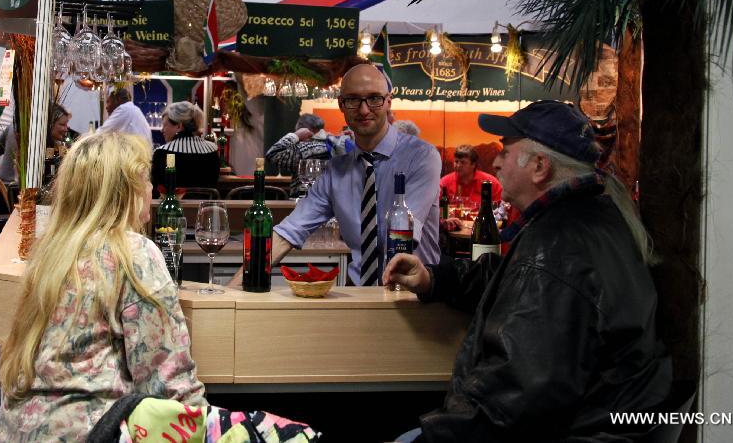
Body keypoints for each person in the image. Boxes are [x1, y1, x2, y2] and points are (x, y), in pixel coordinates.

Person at [384, 101, 672, 441]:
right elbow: (512, 277)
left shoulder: (556, 247)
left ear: (539, 166)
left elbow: (514, 401)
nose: (495, 161)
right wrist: (434, 278)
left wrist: (433, 437)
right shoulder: (594, 216)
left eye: (506, 151)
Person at [0, 131, 205, 441]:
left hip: (19, 430)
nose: (152, 190)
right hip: (93, 433)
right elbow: (169, 383)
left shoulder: (50, 251)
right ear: (127, 191)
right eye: (147, 181)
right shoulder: (134, 253)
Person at [240, 64, 441, 286]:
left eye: (374, 98)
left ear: (388, 102)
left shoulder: (421, 157)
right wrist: (232, 291)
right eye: (354, 100)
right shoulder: (336, 171)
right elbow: (288, 232)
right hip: (359, 295)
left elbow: (401, 237)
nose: (364, 110)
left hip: (414, 298)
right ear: (341, 105)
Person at [264, 113, 354, 197]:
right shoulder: (338, 144)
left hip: (305, 203)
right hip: (337, 203)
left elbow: (272, 154)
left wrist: (295, 135)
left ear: (303, 129)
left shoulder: (304, 148)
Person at [151, 101, 219, 191]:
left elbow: (156, 189)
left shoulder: (161, 153)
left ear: (179, 126)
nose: (162, 130)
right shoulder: (213, 149)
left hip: (174, 204)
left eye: (165, 125)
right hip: (205, 204)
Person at [439, 144, 502, 211]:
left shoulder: (491, 183)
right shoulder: (444, 183)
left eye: (463, 162)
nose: (458, 165)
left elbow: (500, 210)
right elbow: (435, 209)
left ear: (473, 164)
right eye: (456, 161)